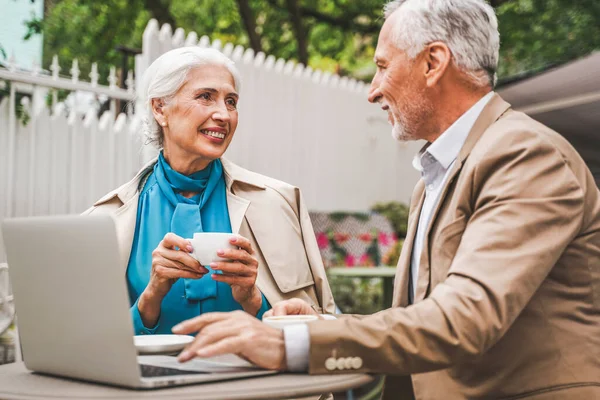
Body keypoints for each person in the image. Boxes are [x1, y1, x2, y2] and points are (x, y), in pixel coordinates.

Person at [170, 1, 600, 399]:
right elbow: (423, 317)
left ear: (433, 63)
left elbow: (463, 320)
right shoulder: (439, 171)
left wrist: (293, 342)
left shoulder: (524, 154)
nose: (372, 90)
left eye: (381, 67)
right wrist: (324, 326)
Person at [84, 47, 335, 335]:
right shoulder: (105, 220)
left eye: (231, 101)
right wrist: (151, 297)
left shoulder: (279, 202)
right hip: (149, 377)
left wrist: (253, 299)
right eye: (205, 97)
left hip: (252, 378)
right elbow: (89, 343)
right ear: (159, 109)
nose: (223, 115)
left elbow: (321, 326)